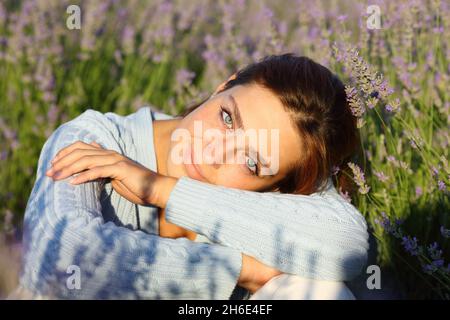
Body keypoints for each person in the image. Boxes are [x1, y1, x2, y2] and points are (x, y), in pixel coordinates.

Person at [18, 54, 369, 299]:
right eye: (228, 118)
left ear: (277, 188)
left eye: (250, 162)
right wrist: (237, 269)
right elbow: (60, 261)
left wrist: (161, 189)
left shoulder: (276, 187)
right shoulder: (96, 138)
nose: (213, 152)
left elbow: (348, 245)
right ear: (223, 85)